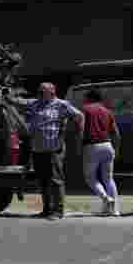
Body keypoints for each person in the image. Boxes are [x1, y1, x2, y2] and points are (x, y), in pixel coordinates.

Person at [23, 83, 84, 220]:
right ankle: (47, 209)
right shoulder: (34, 103)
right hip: (38, 149)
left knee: (56, 180)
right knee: (42, 180)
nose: (39, 94)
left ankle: (58, 210)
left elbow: (79, 116)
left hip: (54, 149)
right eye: (39, 91)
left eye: (42, 92)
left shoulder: (61, 105)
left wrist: (74, 132)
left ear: (52, 92)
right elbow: (19, 103)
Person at [81, 88, 121, 216]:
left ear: (89, 98)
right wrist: (117, 148)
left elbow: (80, 130)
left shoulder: (85, 109)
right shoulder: (107, 111)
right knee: (108, 178)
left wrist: (78, 147)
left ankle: (105, 198)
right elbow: (116, 133)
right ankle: (113, 210)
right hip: (108, 145)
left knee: (90, 178)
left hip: (91, 146)